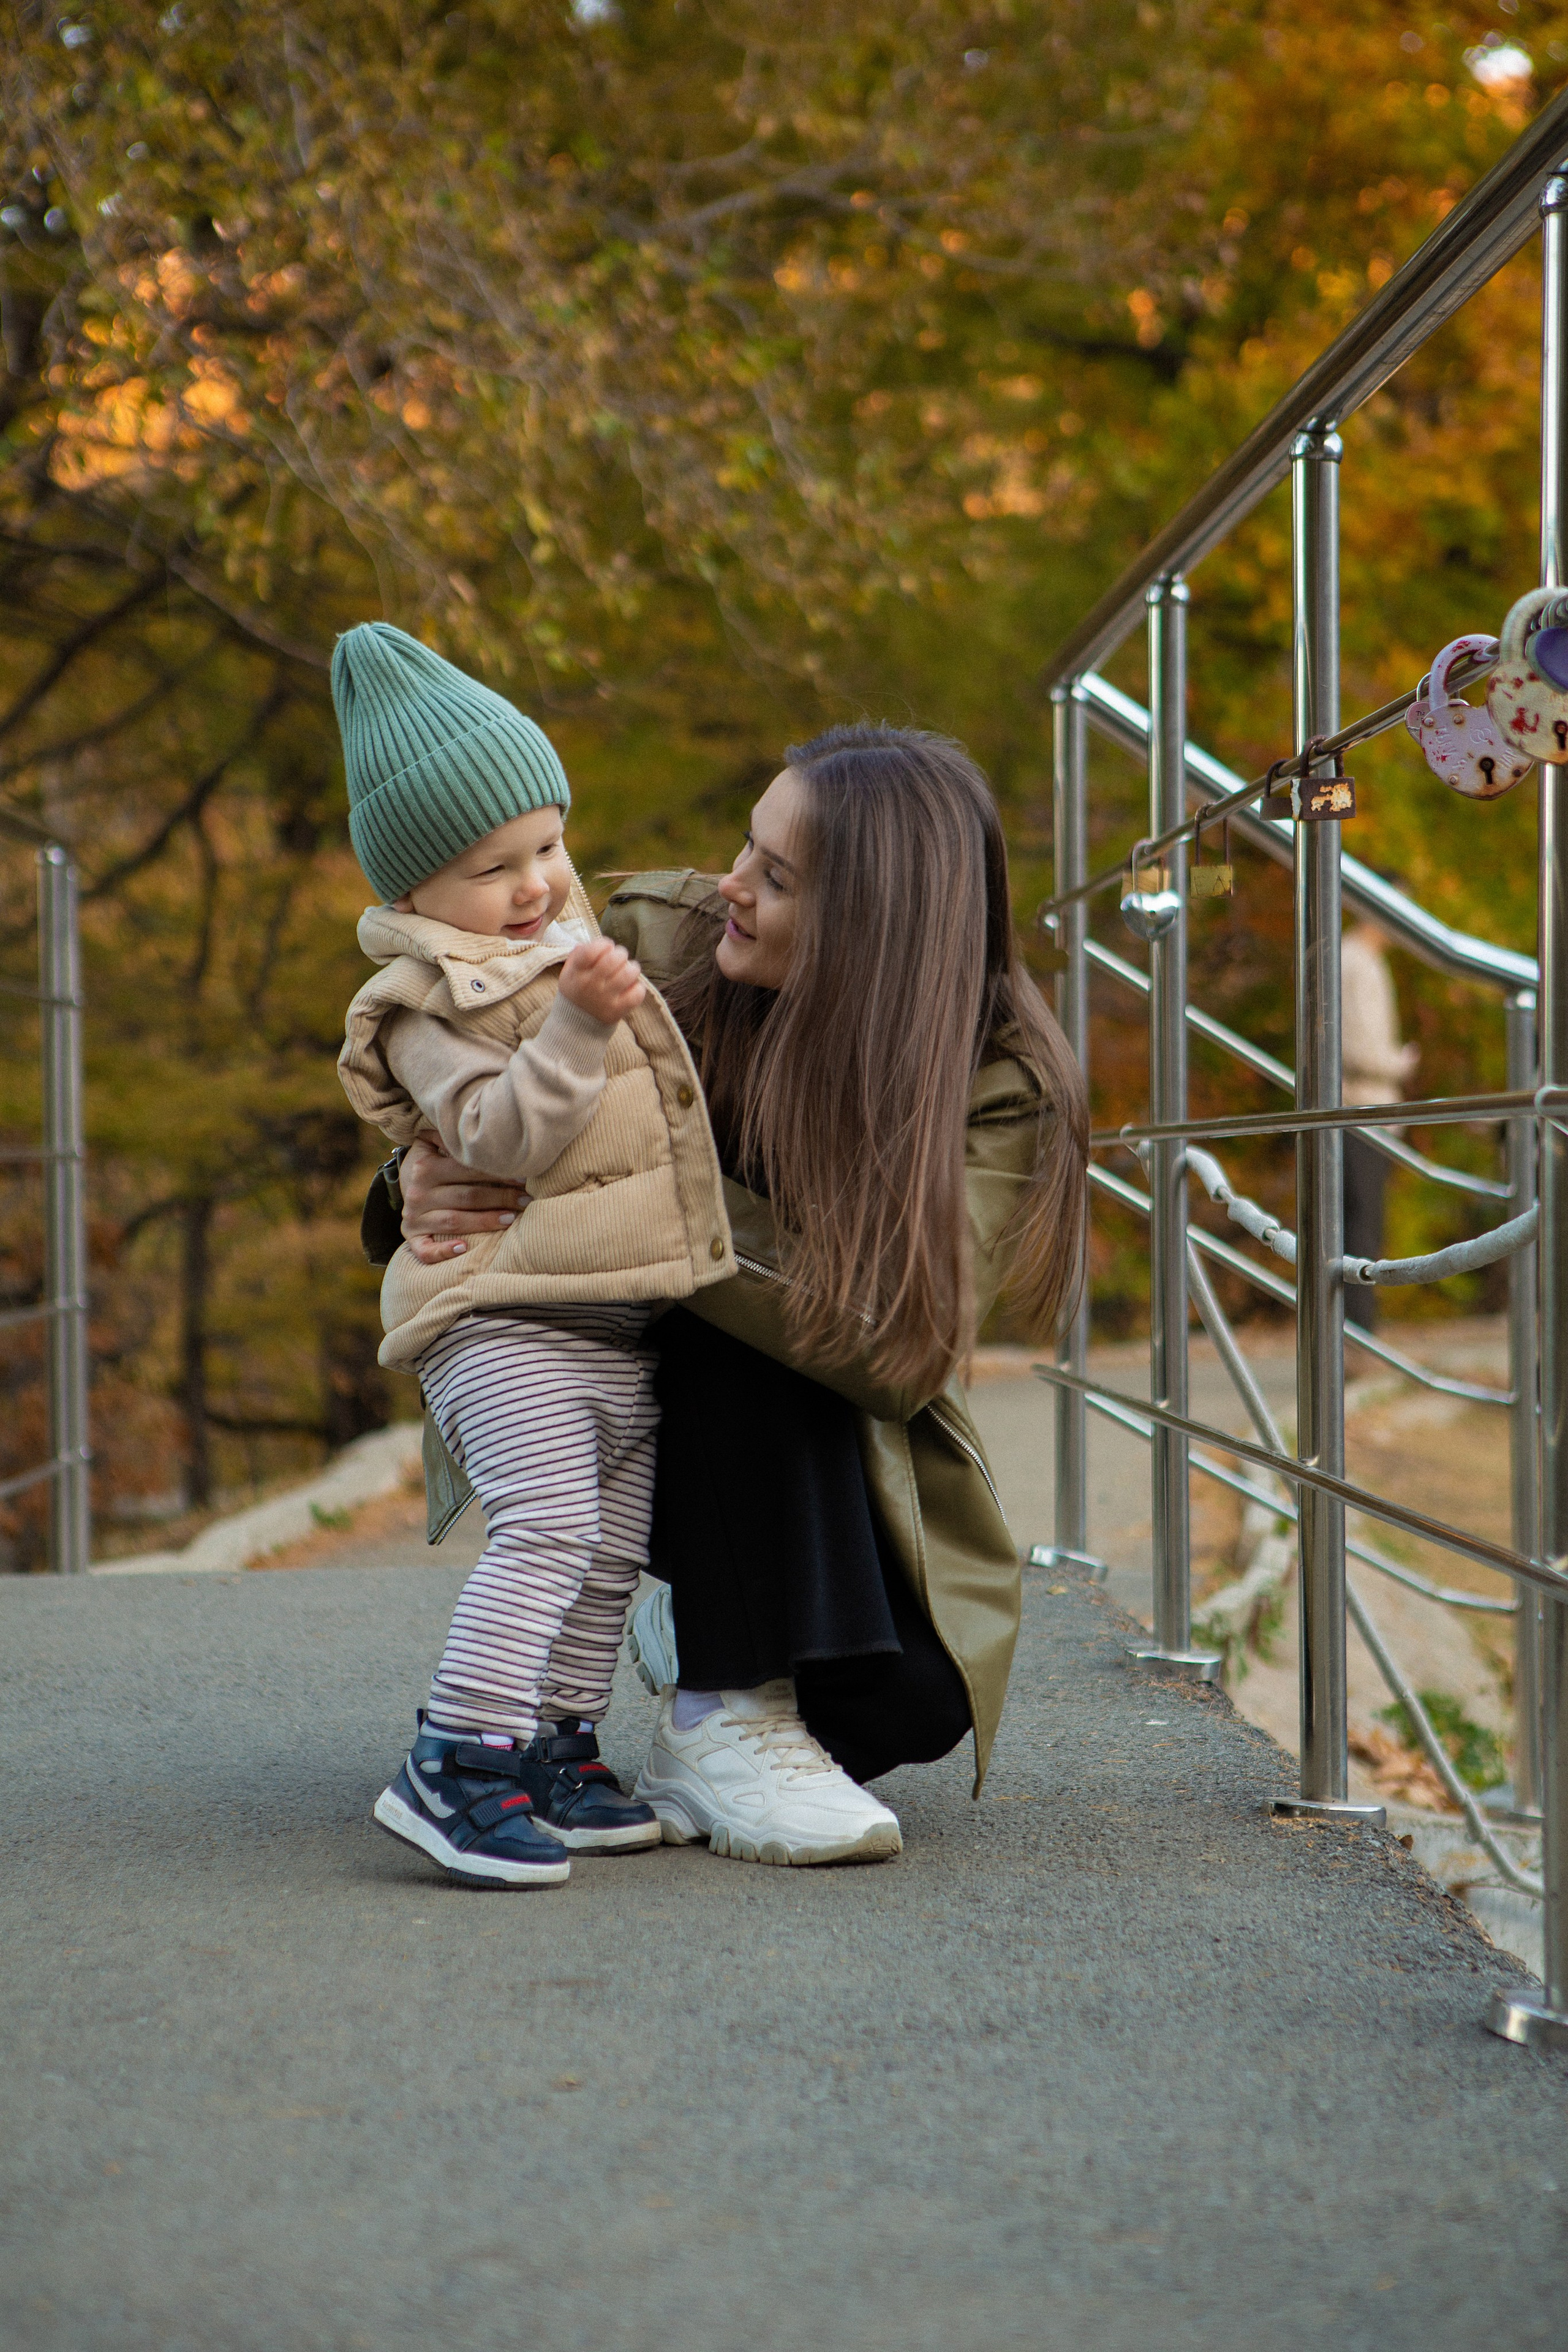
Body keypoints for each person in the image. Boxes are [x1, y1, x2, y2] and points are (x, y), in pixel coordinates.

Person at [372, 722, 1090, 1866]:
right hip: (572, 1362)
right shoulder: (659, 942)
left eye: (777, 875)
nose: (730, 884)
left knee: (904, 1700)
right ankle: (714, 1709)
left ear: (873, 925)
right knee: (712, 1305)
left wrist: (672, 1201)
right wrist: (410, 1177)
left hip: (795, 1422)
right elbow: (459, 1061)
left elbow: (901, 1348)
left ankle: (700, 1608)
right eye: (745, 847)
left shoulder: (997, 1077)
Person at [333, 620, 740, 1890]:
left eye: (548, 846)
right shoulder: (422, 1005)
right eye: (489, 866)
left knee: (613, 1546)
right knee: (549, 1522)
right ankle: (457, 1756)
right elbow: (501, 1138)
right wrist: (573, 1024)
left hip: (605, 1315)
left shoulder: (562, 954)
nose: (536, 884)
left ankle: (554, 1747)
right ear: (409, 898)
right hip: (497, 1315)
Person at [1341, 913, 1417, 1333]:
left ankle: (1354, 1335)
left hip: (1361, 1111)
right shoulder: (1359, 961)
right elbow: (1361, 1048)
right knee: (1361, 1228)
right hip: (1364, 1112)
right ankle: (1357, 1337)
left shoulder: (1358, 959)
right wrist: (1401, 1062)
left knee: (1357, 1226)